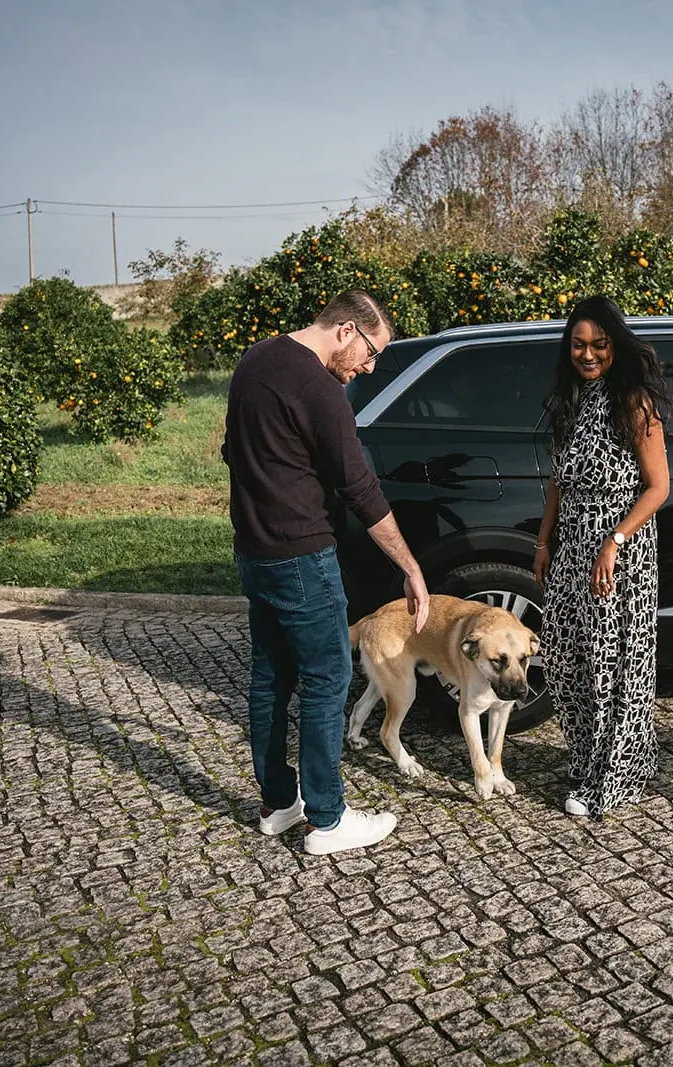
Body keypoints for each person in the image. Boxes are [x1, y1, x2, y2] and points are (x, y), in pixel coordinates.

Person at [224, 291, 429, 855]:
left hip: (255, 552)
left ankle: (278, 803)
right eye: (369, 353)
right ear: (345, 329)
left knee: (271, 678)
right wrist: (409, 566)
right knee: (327, 678)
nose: (367, 366)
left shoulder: (255, 360)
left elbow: (233, 451)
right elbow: (359, 486)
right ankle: (327, 819)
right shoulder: (318, 386)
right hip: (301, 555)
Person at [533, 296, 673, 818]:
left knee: (613, 663)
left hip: (621, 548)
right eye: (578, 344)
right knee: (567, 658)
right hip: (571, 541)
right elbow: (556, 481)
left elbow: (658, 487)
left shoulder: (635, 401)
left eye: (598, 345)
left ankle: (613, 778)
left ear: (616, 345)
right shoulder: (569, 399)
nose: (587, 354)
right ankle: (588, 758)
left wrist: (613, 541)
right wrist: (544, 542)